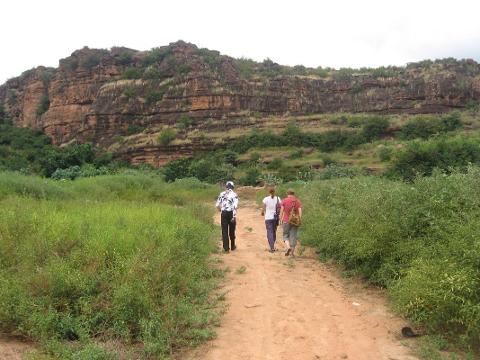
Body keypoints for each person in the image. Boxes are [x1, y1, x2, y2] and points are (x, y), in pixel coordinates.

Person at [215, 181, 239, 253]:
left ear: (226, 187)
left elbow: (217, 205)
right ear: (233, 187)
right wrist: (234, 216)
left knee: (224, 230)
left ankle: (226, 248)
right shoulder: (234, 195)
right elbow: (235, 206)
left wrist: (220, 210)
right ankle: (232, 246)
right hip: (231, 213)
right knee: (232, 230)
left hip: (224, 213)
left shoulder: (222, 194)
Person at [279, 189, 302, 257]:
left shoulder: (284, 200)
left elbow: (282, 210)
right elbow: (300, 211)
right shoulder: (297, 201)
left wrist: (280, 219)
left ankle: (288, 247)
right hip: (294, 222)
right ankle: (292, 253)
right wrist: (299, 219)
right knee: (293, 236)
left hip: (286, 220)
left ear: (287, 193)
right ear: (293, 194)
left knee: (285, 235)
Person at [261, 188, 281, 252]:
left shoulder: (266, 199)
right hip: (275, 218)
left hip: (268, 218)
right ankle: (273, 246)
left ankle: (272, 247)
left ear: (269, 192)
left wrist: (262, 212)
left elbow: (263, 207)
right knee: (274, 231)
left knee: (269, 232)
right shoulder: (278, 198)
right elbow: (280, 207)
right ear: (275, 192)